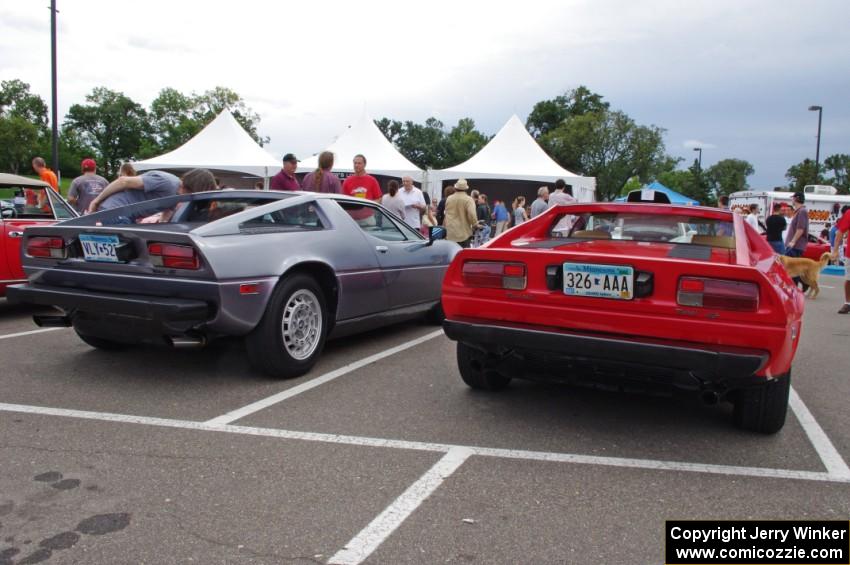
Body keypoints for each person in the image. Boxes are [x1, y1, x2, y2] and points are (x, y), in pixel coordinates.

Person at [87, 170, 181, 215]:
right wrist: (96, 201)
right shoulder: (167, 182)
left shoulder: (176, 194)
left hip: (123, 214)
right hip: (117, 210)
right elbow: (123, 181)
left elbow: (168, 211)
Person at [785, 192, 810, 292]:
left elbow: (800, 229)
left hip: (796, 245)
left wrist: (793, 241)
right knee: (792, 267)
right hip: (793, 244)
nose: (792, 200)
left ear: (797, 199)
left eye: (793, 198)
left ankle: (796, 286)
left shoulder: (802, 211)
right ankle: (799, 284)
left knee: (792, 268)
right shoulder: (798, 211)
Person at [444, 179, 478, 248]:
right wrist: (475, 224)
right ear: (466, 189)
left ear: (456, 188)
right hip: (463, 233)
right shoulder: (469, 199)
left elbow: (446, 214)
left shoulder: (449, 198)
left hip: (450, 233)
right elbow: (472, 214)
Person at [831, 205, 850, 314]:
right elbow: (839, 232)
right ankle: (847, 303)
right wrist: (835, 250)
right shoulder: (849, 213)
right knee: (849, 279)